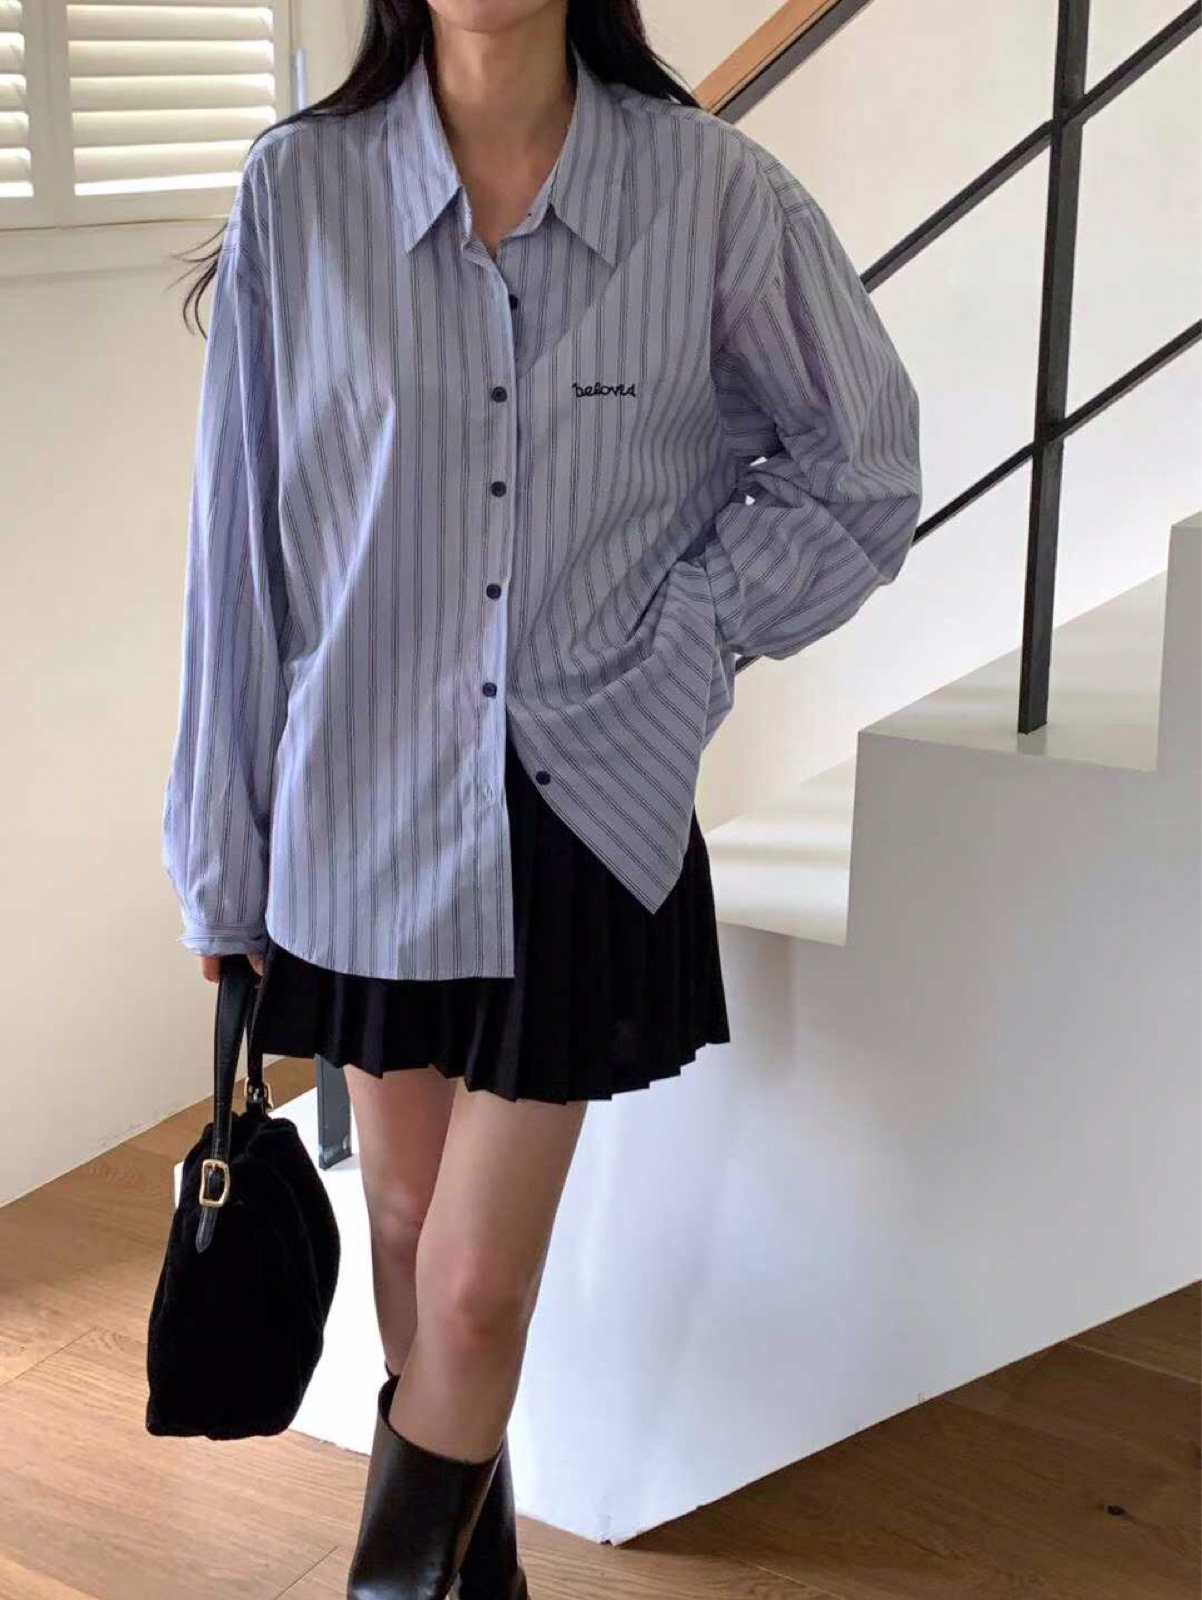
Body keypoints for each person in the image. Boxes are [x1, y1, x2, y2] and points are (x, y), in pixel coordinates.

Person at [161, 0, 922, 1594]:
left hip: (579, 809)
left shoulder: (710, 192)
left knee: (472, 1290)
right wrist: (220, 859)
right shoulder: (301, 190)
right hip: (360, 808)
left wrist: (692, 635)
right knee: (403, 1228)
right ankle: (474, 1577)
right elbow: (240, 555)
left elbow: (859, 467)